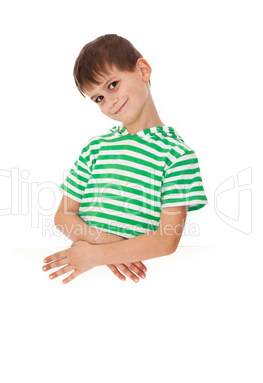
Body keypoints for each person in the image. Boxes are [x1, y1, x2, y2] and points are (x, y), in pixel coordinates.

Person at [42, 34, 208, 285]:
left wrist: (96, 255)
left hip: (150, 280)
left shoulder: (177, 155)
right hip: (82, 271)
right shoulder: (95, 148)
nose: (109, 102)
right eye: (98, 98)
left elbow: (167, 240)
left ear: (143, 70)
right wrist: (102, 251)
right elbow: (64, 216)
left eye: (112, 85)